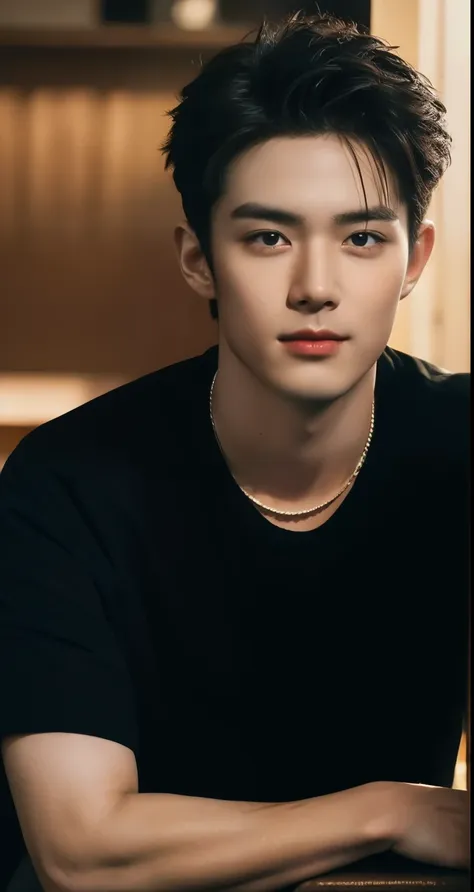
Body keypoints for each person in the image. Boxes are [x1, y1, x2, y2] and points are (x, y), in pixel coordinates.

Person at [0, 11, 469, 892]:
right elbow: (81, 851)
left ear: (415, 260)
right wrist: (394, 809)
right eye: (268, 237)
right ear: (198, 260)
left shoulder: (458, 447)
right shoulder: (67, 485)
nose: (316, 288)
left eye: (362, 237)